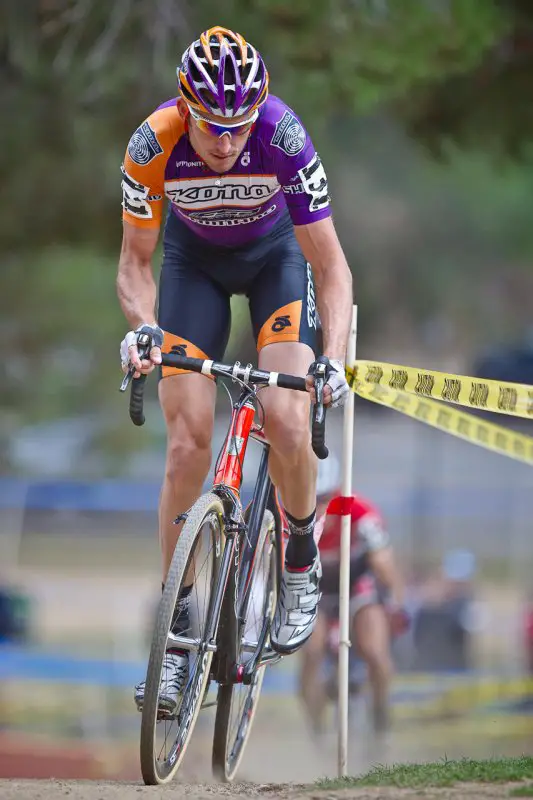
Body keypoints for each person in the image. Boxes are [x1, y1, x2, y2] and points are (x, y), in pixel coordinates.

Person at [116, 27, 353, 714]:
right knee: (186, 442)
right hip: (192, 267)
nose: (225, 142)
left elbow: (331, 266)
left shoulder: (282, 138)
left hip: (275, 259)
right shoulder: (152, 144)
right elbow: (134, 263)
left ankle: (300, 555)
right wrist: (143, 328)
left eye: (238, 126)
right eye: (213, 127)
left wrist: (330, 360)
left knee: (285, 416)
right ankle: (177, 631)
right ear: (187, 108)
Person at [299, 455, 408, 736]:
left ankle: (380, 715)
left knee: (375, 651)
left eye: (326, 498)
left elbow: (384, 565)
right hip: (316, 590)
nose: (320, 507)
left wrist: (396, 605)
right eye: (314, 498)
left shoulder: (360, 511)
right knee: (311, 653)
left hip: (357, 587)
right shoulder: (293, 511)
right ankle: (315, 728)